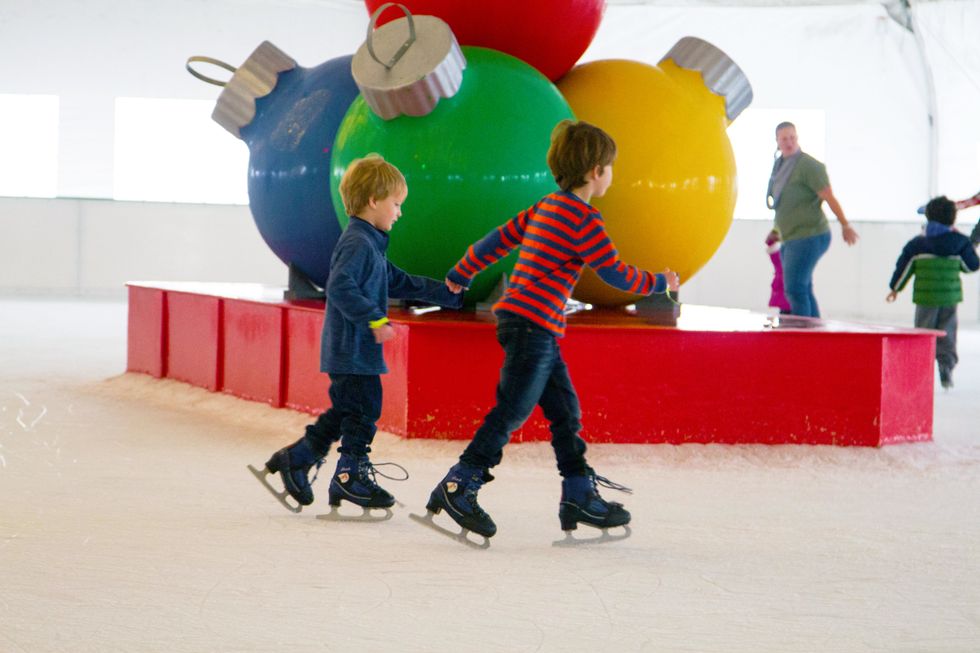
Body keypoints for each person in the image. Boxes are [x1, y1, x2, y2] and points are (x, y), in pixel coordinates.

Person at [423, 120, 680, 539]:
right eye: (610, 166)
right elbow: (614, 273)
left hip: (526, 324)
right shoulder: (584, 219)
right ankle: (459, 484)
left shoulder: (545, 206)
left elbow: (497, 240)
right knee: (512, 410)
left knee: (565, 413)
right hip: (533, 326)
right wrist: (659, 284)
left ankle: (578, 494)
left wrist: (461, 271)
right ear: (595, 171)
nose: (611, 173)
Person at [259, 154, 463, 510]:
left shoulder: (369, 243)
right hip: (350, 348)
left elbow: (397, 280)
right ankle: (349, 475)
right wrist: (374, 318)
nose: (399, 212)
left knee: (347, 410)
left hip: (353, 350)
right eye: (396, 204)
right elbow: (339, 286)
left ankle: (299, 459)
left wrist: (446, 293)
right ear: (373, 201)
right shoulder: (358, 243)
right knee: (365, 409)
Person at [766, 122, 859, 317]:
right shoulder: (780, 166)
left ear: (797, 138)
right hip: (790, 237)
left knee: (794, 288)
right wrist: (776, 230)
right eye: (784, 139)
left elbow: (829, 196)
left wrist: (845, 224)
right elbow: (783, 202)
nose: (789, 142)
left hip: (809, 236)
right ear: (777, 141)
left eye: (792, 137)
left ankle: (803, 336)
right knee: (802, 287)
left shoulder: (809, 166)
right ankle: (816, 333)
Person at [887, 195, 979, 389]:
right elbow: (972, 266)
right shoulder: (960, 242)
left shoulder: (918, 244)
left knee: (924, 332)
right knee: (948, 333)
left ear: (928, 217)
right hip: (949, 297)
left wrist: (895, 288)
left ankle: (920, 371)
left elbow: (903, 268)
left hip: (926, 299)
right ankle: (946, 368)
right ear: (953, 218)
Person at [765, 229, 791, 314]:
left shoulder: (773, 249)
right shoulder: (778, 249)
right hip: (784, 277)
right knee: (786, 303)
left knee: (783, 304)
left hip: (780, 277)